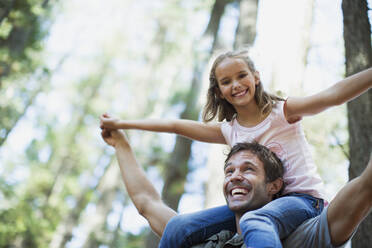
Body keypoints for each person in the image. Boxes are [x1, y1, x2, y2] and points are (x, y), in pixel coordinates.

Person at [100, 50, 372, 247]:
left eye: (242, 75)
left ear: (256, 77)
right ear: (218, 91)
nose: (236, 84)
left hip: (301, 202)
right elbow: (174, 125)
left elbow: (333, 95)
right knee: (179, 227)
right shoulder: (229, 130)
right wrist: (122, 123)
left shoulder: (282, 112)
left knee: (256, 221)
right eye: (226, 81)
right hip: (261, 205)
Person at [100, 128, 372, 248]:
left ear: (274, 186)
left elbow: (365, 187)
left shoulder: (303, 236)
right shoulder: (204, 240)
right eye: (229, 171)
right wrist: (121, 146)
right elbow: (147, 203)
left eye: (248, 170)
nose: (235, 177)